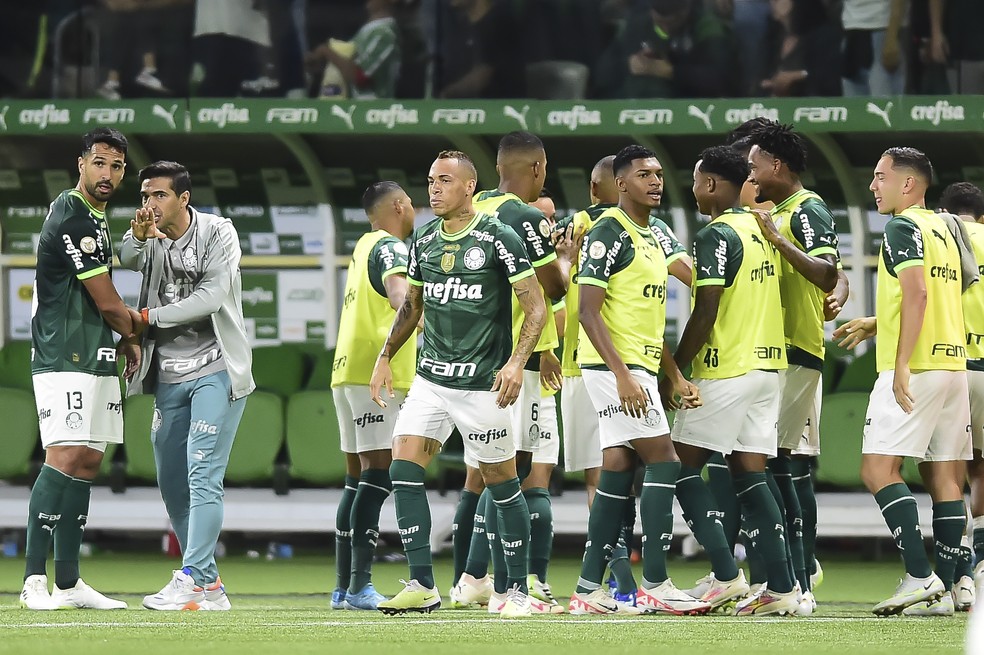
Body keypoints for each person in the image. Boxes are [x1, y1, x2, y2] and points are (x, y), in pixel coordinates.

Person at [370, 150, 547, 617]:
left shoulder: (498, 236)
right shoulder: (424, 239)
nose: (434, 189)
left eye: (444, 180)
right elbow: (412, 307)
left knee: (501, 482)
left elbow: (536, 306)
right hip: (432, 379)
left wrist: (515, 364)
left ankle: (517, 593)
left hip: (482, 384)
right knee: (403, 469)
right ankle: (422, 585)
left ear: (470, 187)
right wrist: (385, 356)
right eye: (430, 180)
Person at [566, 144, 706, 616]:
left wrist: (673, 374)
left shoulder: (656, 236)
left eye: (659, 174)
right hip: (612, 369)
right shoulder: (609, 230)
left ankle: (588, 588)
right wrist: (624, 375)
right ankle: (656, 581)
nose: (655, 181)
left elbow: (651, 316)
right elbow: (588, 311)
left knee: (619, 470)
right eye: (644, 174)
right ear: (620, 183)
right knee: (665, 461)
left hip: (639, 366)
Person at [833, 148, 969, 616]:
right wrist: (879, 322)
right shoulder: (947, 228)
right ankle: (953, 589)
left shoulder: (901, 227)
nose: (873, 186)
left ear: (907, 184)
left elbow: (918, 291)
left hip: (918, 366)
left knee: (876, 470)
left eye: (879, 177)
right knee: (948, 478)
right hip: (955, 365)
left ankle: (918, 575)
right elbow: (954, 291)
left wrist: (902, 361)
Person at [664, 145, 799, 616]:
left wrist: (676, 368)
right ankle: (783, 589)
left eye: (699, 181)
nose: (695, 189)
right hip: (768, 369)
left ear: (714, 185)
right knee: (751, 474)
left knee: (675, 467)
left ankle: (725, 575)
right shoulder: (764, 230)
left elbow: (706, 309)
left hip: (727, 369)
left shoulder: (717, 233)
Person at [120, 160, 255, 611]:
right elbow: (126, 258)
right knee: (173, 481)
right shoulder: (146, 233)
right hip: (168, 375)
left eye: (158, 195)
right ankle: (211, 587)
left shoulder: (219, 233)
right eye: (144, 195)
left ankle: (192, 577)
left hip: (216, 369)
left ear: (184, 198)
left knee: (203, 474)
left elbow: (212, 297)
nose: (149, 204)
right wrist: (139, 235)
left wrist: (146, 319)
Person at [20, 128, 138, 611]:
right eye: (100, 163)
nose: (107, 174)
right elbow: (108, 302)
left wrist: (119, 340)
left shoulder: (97, 217)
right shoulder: (71, 211)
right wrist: (136, 333)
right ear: (81, 164)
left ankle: (69, 582)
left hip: (95, 356)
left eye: (116, 167)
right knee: (64, 456)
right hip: (62, 354)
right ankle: (32, 582)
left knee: (88, 460)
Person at [453, 131, 569, 613]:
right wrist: (565, 256)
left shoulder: (467, 209)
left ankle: (471, 578)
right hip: (512, 367)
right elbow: (555, 290)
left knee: (486, 472)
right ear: (537, 169)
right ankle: (489, 581)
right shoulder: (525, 217)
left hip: (466, 363)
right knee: (511, 472)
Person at [746, 123, 849, 610]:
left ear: (777, 166)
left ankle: (800, 577)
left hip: (796, 350)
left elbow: (829, 272)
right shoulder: (778, 210)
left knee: (786, 463)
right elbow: (835, 280)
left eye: (755, 165)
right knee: (771, 461)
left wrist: (774, 237)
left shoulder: (805, 211)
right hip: (769, 350)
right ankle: (787, 574)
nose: (751, 173)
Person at [329, 181, 416, 611]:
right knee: (378, 475)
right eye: (413, 203)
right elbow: (402, 297)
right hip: (377, 377)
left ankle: (343, 587)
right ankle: (360, 586)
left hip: (346, 374)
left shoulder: (362, 245)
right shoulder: (391, 248)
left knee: (356, 479)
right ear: (399, 206)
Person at [937, 182, 984, 609]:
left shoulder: (941, 236)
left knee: (947, 471)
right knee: (982, 470)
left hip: (955, 365)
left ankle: (959, 574)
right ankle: (982, 562)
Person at [307, 0, 401, 99]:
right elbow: (347, 64)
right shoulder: (367, 31)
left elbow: (360, 78)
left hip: (373, 110)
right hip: (353, 107)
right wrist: (321, 64)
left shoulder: (384, 34)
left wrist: (326, 52)